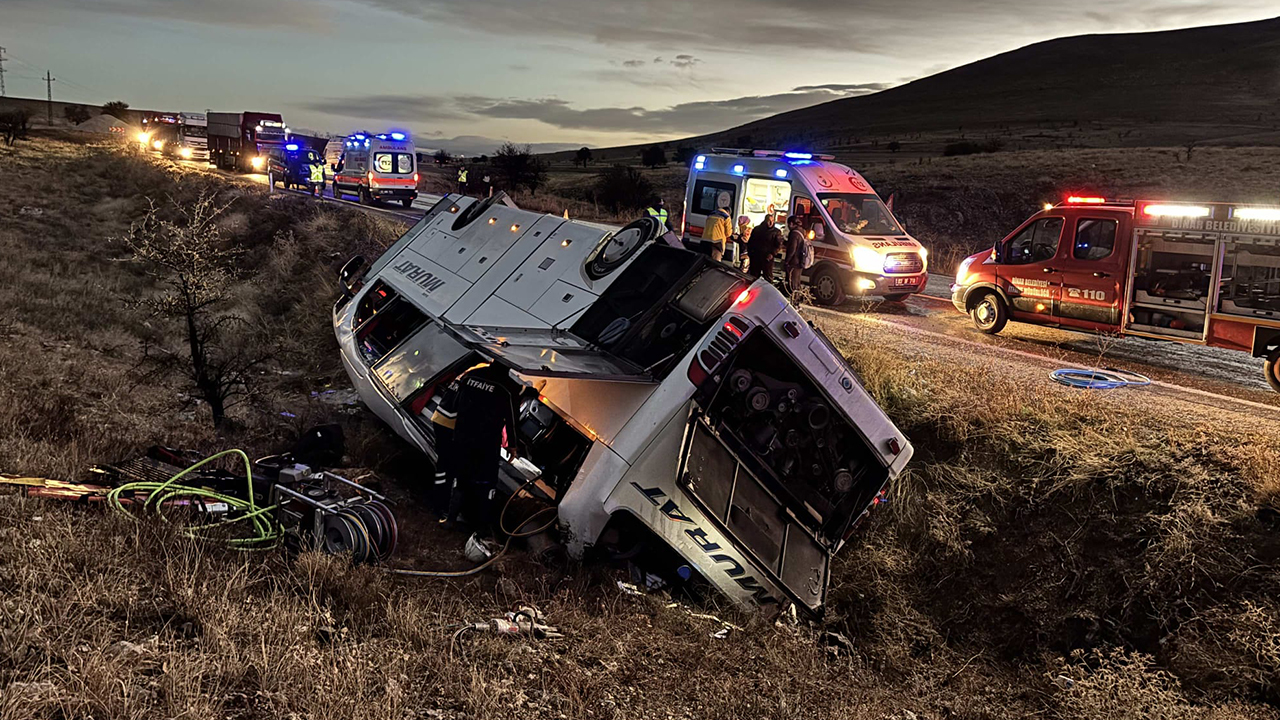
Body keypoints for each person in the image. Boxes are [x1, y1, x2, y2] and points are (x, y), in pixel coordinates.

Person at [450, 362, 521, 538]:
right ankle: (481, 527)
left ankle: (452, 518)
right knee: (486, 483)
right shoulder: (508, 388)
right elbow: (512, 420)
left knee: (460, 477)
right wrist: (512, 445)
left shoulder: (471, 375)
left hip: (462, 437)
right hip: (486, 443)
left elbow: (454, 403)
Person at [747, 214, 783, 283]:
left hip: (767, 257)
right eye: (769, 221)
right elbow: (751, 242)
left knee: (768, 276)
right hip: (756, 256)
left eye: (772, 221)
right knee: (753, 276)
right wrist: (750, 253)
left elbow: (778, 245)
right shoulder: (757, 229)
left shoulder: (776, 232)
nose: (770, 222)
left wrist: (772, 254)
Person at [703, 192, 733, 262]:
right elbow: (728, 233)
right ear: (728, 212)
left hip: (705, 240)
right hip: (717, 241)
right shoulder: (726, 217)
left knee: (704, 261)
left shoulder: (711, 214)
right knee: (715, 262)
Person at [784, 215, 807, 296]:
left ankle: (794, 301)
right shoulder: (802, 231)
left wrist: (787, 261)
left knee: (793, 283)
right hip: (801, 260)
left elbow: (792, 249)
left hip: (794, 261)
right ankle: (796, 302)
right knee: (797, 282)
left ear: (791, 223)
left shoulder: (794, 234)